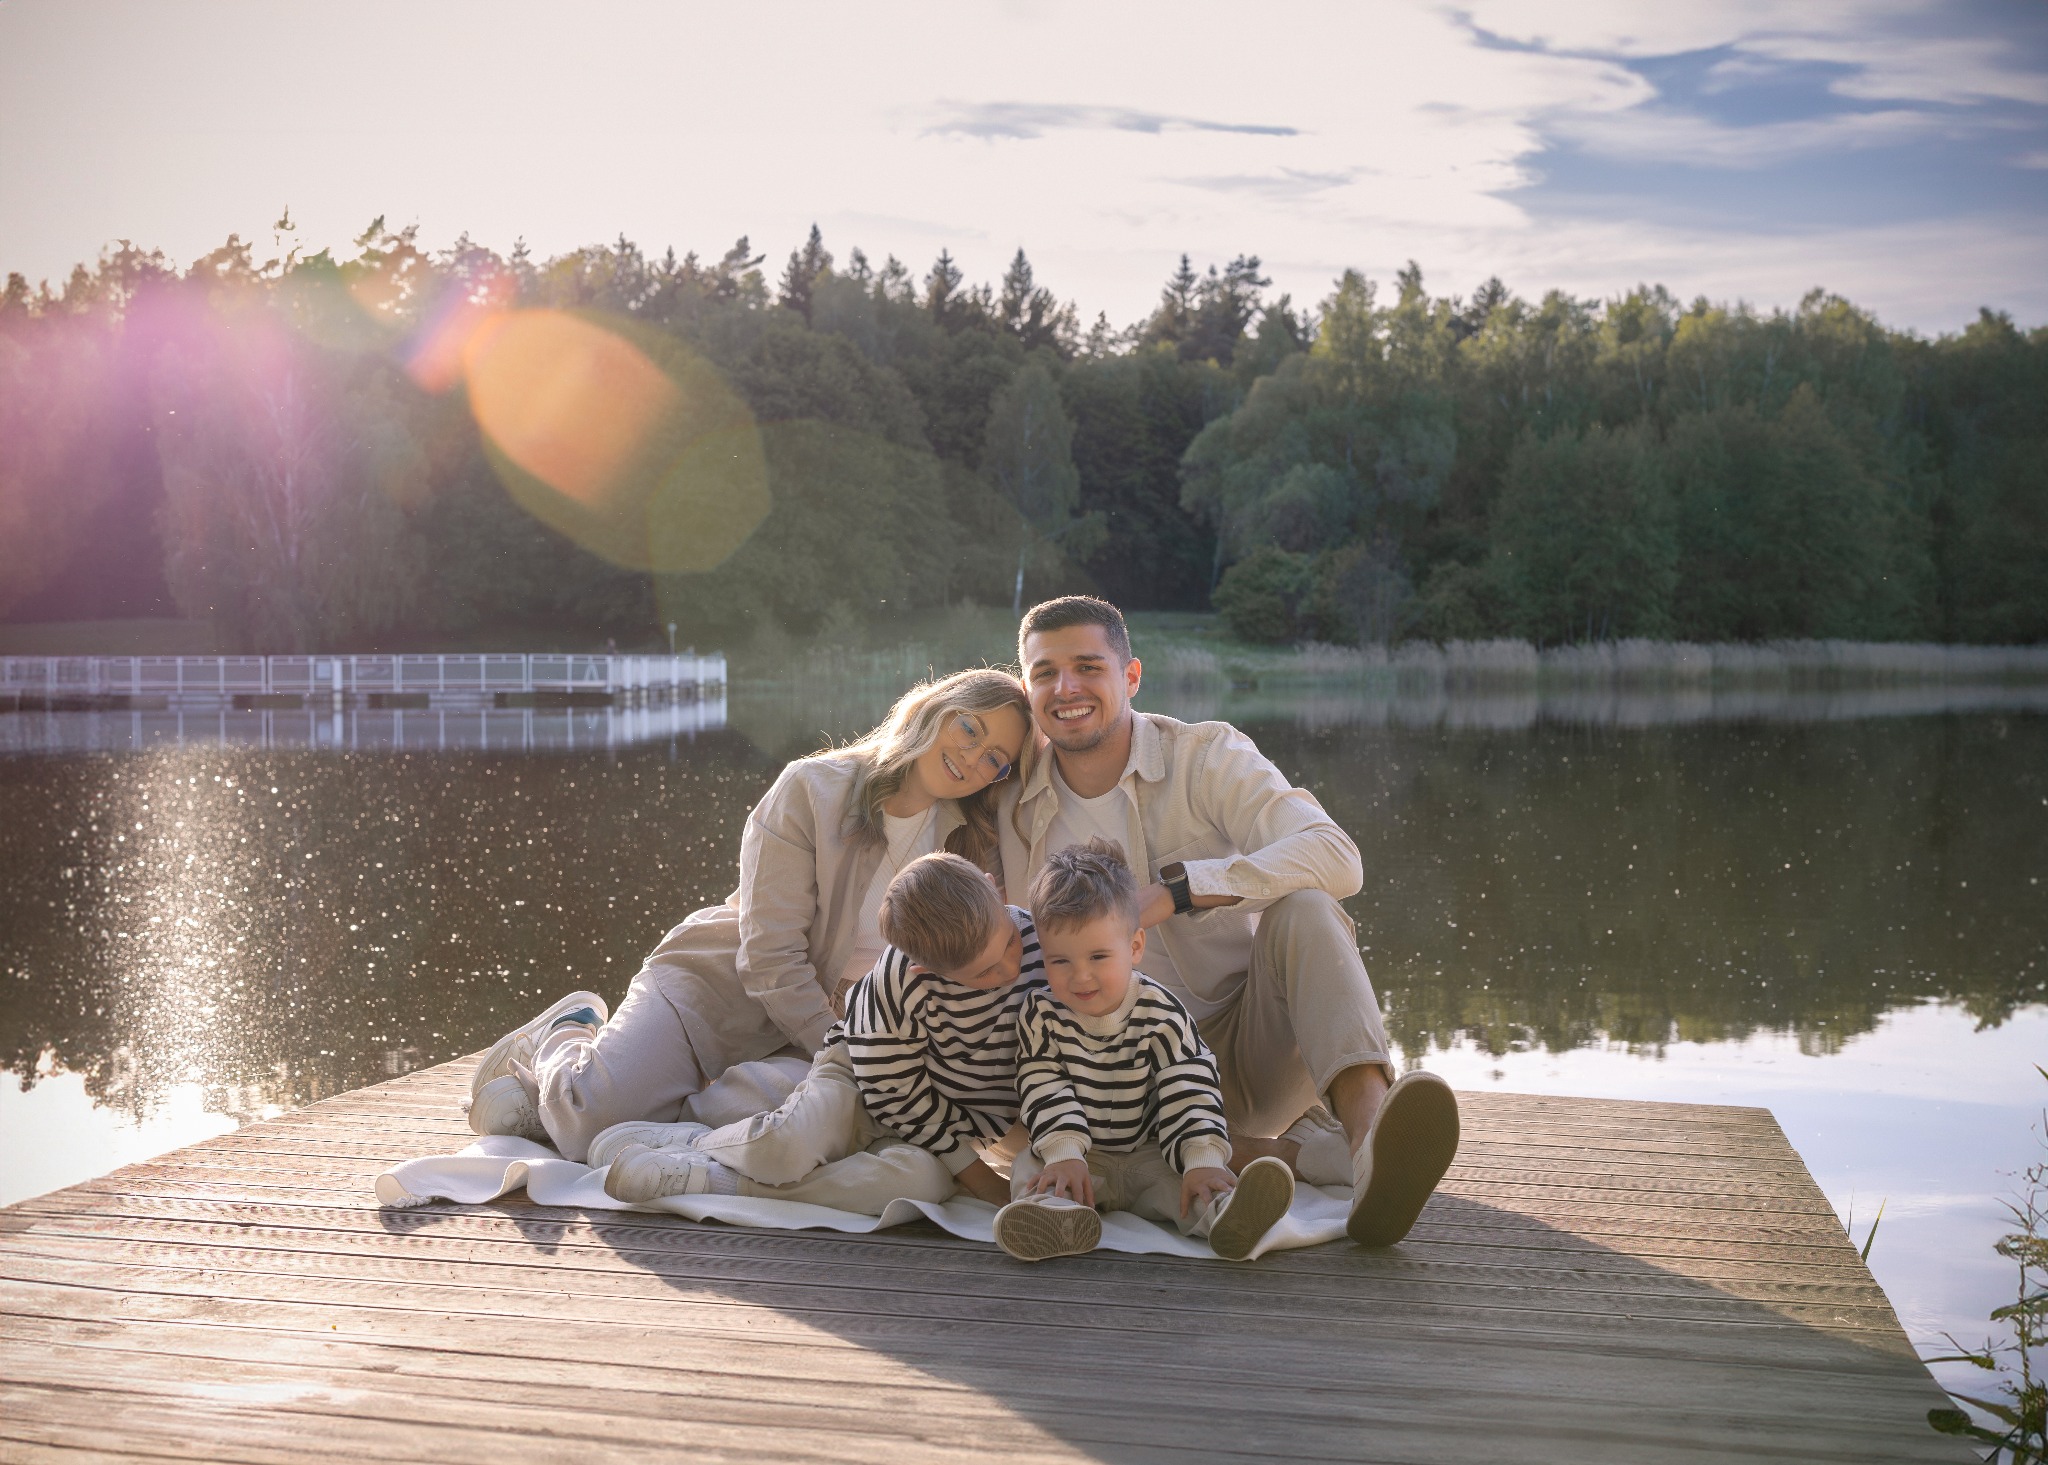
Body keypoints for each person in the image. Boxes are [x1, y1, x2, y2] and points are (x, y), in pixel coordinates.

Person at [999, 596, 1459, 1247]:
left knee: (1306, 905)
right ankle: (1260, 1155)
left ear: (1130, 677)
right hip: (1103, 1078)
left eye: (1086, 667)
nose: (1066, 688)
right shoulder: (1013, 799)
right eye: (1045, 672)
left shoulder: (1205, 756)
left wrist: (1181, 891)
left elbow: (1338, 857)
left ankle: (1370, 1143)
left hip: (1244, 1053)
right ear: (1027, 688)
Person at [466, 668, 1031, 1163]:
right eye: (970, 728)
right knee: (593, 1121)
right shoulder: (813, 789)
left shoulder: (972, 845)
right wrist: (844, 1048)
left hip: (822, 1029)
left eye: (995, 760)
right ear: (937, 710)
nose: (972, 757)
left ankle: (644, 1101)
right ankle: (561, 1039)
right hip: (721, 990)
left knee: (713, 1133)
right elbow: (769, 959)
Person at [592, 850, 1045, 1211]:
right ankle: (691, 1143)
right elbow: (895, 1094)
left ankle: (717, 1178)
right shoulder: (899, 982)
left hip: (946, 1121)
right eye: (983, 973)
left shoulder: (1038, 946)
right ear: (925, 970)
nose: (1010, 966)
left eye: (1007, 942)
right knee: (784, 1150)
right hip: (861, 1081)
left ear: (992, 887)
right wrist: (979, 1178)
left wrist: (968, 1163)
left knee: (917, 1185)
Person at [993, 838, 1297, 1263]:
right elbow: (1042, 1085)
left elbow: (1188, 1086)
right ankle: (1055, 1218)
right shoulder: (1041, 1014)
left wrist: (1201, 1157)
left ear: (1134, 947)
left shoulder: (1161, 1013)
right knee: (1033, 1169)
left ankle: (1227, 1217)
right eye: (1059, 961)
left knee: (1193, 1184)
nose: (1081, 977)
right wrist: (1063, 1153)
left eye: (1098, 956)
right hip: (1082, 1159)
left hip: (1151, 1151)